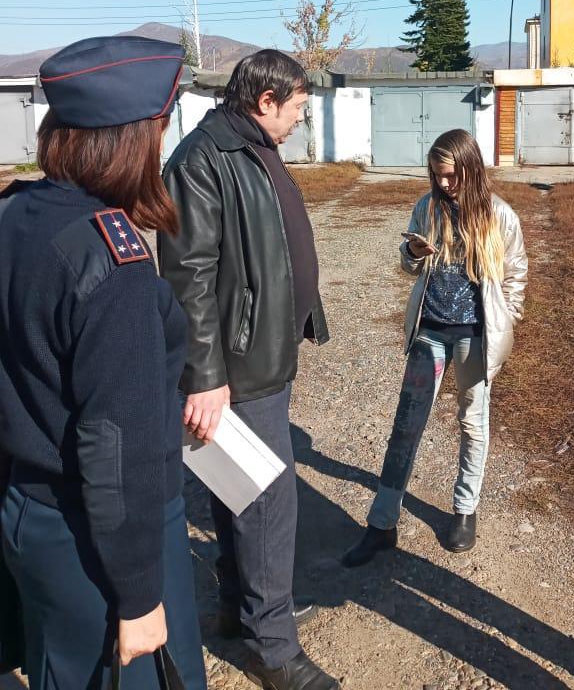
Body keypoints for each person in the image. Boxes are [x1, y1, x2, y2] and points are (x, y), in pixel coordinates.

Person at [0, 36, 207, 690]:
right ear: (134, 138)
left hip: (26, 508)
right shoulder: (109, 258)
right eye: (161, 129)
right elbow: (118, 442)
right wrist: (142, 596)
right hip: (99, 536)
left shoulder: (17, 213)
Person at [159, 49, 336, 690]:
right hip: (236, 366)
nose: (299, 122)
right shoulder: (206, 160)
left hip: (259, 356)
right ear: (266, 101)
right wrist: (205, 375)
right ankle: (273, 646)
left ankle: (243, 610)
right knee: (266, 500)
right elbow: (187, 275)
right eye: (296, 109)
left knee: (238, 489)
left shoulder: (251, 147)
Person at [344, 128, 527, 566]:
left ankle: (464, 510)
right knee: (407, 424)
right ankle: (382, 524)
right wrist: (410, 251)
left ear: (470, 167)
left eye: (450, 175)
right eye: (436, 175)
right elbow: (409, 266)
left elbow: (516, 274)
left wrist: (506, 319)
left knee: (472, 422)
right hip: (430, 331)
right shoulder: (426, 208)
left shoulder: (501, 216)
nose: (443, 184)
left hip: (473, 337)